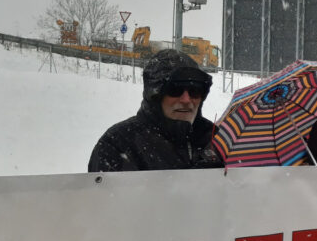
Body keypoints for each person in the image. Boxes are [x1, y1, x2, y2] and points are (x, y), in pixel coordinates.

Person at [89, 49, 222, 172]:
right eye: (175, 90)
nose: (186, 100)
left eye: (194, 91)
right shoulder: (119, 143)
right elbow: (102, 196)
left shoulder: (216, 140)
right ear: (155, 96)